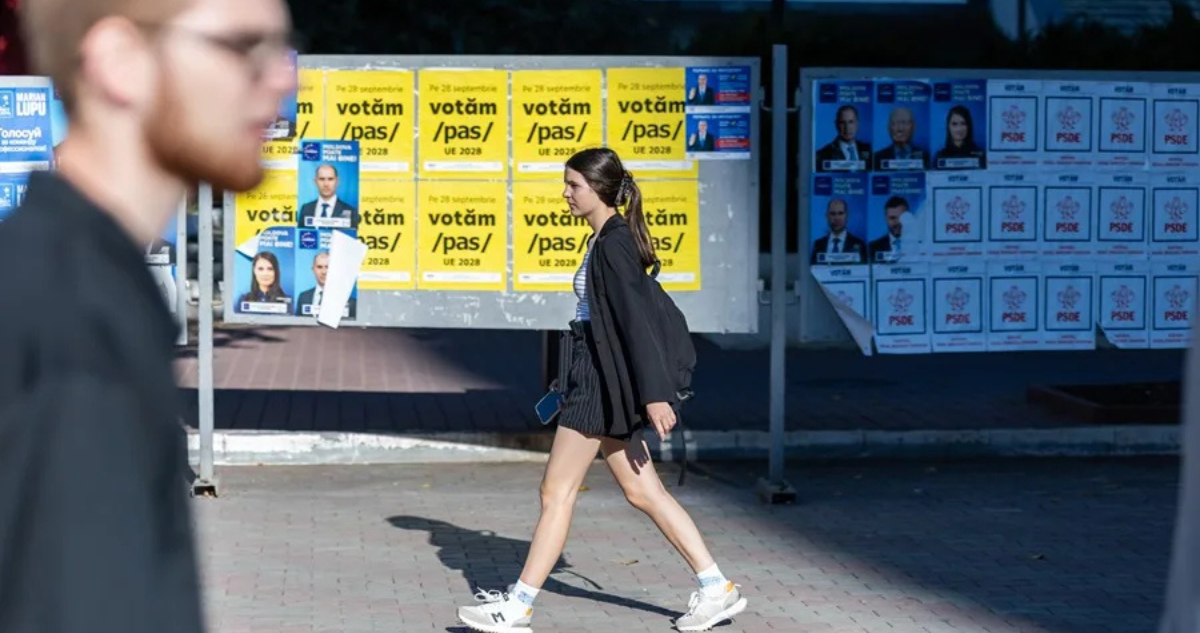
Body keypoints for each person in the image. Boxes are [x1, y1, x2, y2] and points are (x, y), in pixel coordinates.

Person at [0, 1, 296, 632]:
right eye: (245, 47)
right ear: (120, 62)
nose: (282, 78)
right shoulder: (74, 319)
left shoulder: (82, 281)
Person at [456, 147, 748, 633]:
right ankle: (716, 588)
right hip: (594, 379)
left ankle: (518, 605)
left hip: (601, 388)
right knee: (642, 490)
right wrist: (569, 376)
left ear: (600, 189)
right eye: (566, 184)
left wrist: (655, 394)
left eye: (574, 185)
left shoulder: (612, 244)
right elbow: (602, 327)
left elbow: (636, 325)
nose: (565, 193)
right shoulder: (605, 240)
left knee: (557, 490)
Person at [296, 250, 356, 317]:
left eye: (327, 267)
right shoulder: (303, 297)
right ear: (313, 270)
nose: (324, 272)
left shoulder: (349, 302)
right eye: (319, 267)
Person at [298, 163, 358, 228]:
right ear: (315, 181)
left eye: (330, 179)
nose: (326, 184)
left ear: (337, 181)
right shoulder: (306, 209)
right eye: (322, 179)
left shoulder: (350, 211)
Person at [814, 104, 872, 172]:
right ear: (836, 125)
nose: (847, 128)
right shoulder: (823, 155)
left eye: (851, 122)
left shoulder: (868, 149)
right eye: (842, 123)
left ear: (857, 124)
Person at [810, 198, 866, 265]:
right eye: (833, 214)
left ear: (847, 215)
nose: (837, 218)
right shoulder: (818, 245)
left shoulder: (859, 244)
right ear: (827, 216)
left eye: (840, 213)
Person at [933, 105, 986, 170]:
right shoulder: (940, 156)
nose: (959, 129)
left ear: (969, 126)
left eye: (963, 123)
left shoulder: (980, 155)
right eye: (954, 124)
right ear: (948, 127)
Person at [868, 196, 909, 262]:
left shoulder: (920, 245)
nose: (898, 222)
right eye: (892, 218)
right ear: (886, 219)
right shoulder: (873, 248)